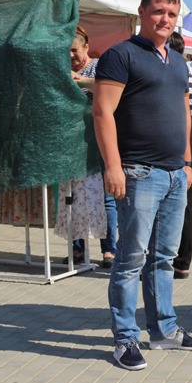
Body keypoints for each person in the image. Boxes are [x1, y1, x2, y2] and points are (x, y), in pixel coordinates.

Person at [93, 0, 192, 371]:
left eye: (172, 14)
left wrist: (188, 162)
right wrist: (113, 166)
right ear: (142, 12)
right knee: (130, 259)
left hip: (175, 174)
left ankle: (163, 330)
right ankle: (125, 339)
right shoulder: (121, 55)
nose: (165, 19)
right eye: (159, 11)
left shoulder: (177, 62)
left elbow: (186, 113)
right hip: (138, 172)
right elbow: (102, 112)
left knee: (163, 258)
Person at [67, 25, 117, 268]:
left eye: (74, 50)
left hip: (98, 141)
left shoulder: (98, 67)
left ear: (86, 47)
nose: (71, 56)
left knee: (106, 196)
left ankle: (109, 250)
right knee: (73, 196)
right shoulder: (63, 70)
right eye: (66, 51)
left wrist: (81, 81)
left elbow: (107, 88)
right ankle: (77, 249)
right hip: (73, 142)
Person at [168, 32, 192, 279]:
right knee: (186, 207)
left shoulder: (166, 74)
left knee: (160, 206)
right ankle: (182, 262)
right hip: (191, 149)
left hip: (165, 148)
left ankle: (157, 259)